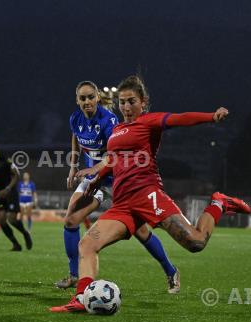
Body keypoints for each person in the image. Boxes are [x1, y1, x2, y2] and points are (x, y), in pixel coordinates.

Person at [50, 75, 251, 312]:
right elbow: (113, 159)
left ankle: (219, 203)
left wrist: (211, 117)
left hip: (148, 195)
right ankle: (82, 299)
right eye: (122, 102)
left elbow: (180, 119)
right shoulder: (117, 130)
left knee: (196, 242)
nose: (126, 107)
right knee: (87, 245)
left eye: (131, 101)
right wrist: (97, 180)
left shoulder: (149, 122)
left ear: (143, 102)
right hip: (123, 204)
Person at [56, 81, 180, 294]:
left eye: (90, 97)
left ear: (97, 97)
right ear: (77, 100)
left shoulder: (109, 120)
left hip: (116, 180)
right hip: (93, 179)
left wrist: (96, 168)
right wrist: (73, 167)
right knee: (70, 219)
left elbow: (116, 153)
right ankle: (74, 275)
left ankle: (170, 270)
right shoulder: (74, 119)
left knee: (141, 232)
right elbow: (76, 138)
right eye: (82, 98)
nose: (87, 102)